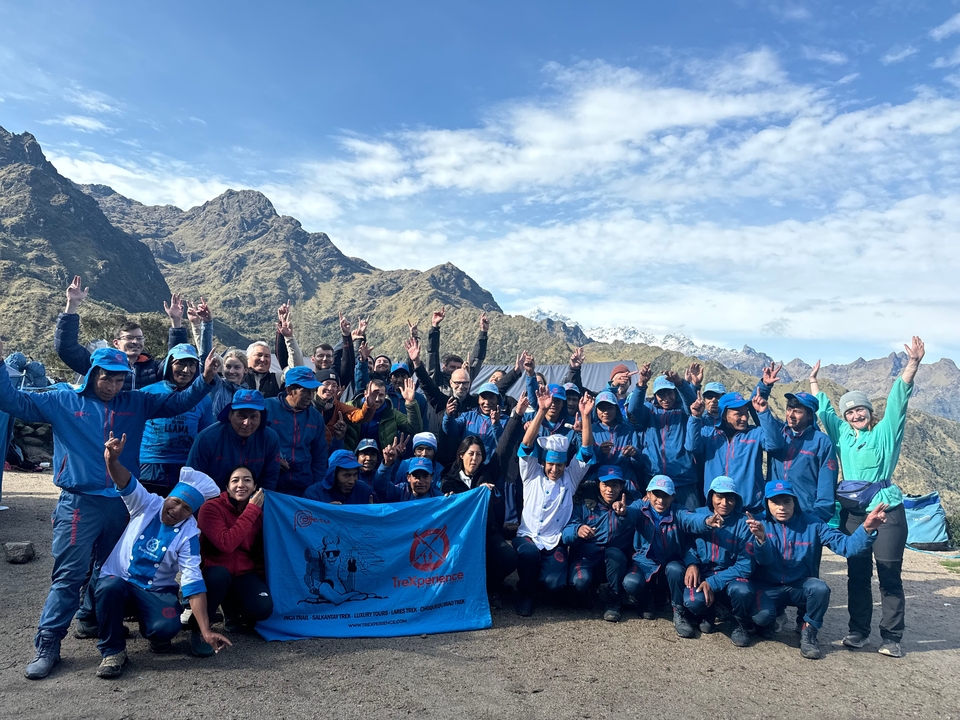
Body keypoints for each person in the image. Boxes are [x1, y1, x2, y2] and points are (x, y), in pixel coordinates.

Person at [0, 340, 220, 681]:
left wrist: (205, 380)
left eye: (119, 379)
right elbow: (14, 401)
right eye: (106, 377)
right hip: (80, 502)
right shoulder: (62, 400)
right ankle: (48, 645)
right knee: (69, 575)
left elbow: (178, 402)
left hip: (121, 505)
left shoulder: (136, 401)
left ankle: (99, 627)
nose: (112, 385)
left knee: (112, 572)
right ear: (92, 375)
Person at [809, 336, 924, 658]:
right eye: (850, 411)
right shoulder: (842, 434)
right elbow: (824, 411)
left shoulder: (886, 432)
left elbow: (899, 399)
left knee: (888, 573)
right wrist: (814, 382)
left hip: (886, 510)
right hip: (854, 512)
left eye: (860, 409)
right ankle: (858, 631)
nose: (855, 414)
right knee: (857, 574)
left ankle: (891, 637)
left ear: (870, 411)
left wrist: (912, 364)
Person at [95, 433, 231, 677]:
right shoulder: (146, 503)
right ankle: (113, 651)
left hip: (155, 591)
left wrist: (206, 630)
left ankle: (152, 628)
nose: (177, 510)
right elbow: (126, 481)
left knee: (166, 629)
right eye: (176, 502)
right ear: (169, 496)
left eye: (186, 508)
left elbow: (193, 583)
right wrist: (112, 461)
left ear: (192, 513)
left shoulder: (190, 536)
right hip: (120, 580)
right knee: (108, 588)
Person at [746, 479, 887, 660]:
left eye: (786, 501)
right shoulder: (758, 524)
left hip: (800, 585)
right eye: (775, 502)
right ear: (767, 504)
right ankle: (770, 619)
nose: (782, 507)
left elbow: (847, 547)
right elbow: (761, 561)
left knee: (819, 589)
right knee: (761, 618)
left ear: (794, 502)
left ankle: (809, 632)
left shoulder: (814, 524)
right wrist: (761, 539)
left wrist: (867, 528)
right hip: (769, 586)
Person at [513, 387, 595, 617]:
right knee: (528, 555)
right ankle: (526, 593)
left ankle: (538, 584)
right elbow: (526, 447)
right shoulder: (531, 473)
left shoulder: (570, 477)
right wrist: (541, 411)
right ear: (544, 462)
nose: (554, 469)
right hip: (528, 536)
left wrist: (586, 417)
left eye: (559, 465)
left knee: (555, 584)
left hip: (553, 541)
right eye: (551, 464)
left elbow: (586, 452)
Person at [617, 476, 720, 638]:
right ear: (648, 494)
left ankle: (678, 612)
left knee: (674, 569)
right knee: (630, 583)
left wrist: (707, 521)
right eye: (656, 495)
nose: (660, 500)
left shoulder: (678, 512)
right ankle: (646, 601)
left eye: (665, 496)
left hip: (672, 562)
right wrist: (622, 512)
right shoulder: (640, 508)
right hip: (645, 562)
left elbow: (693, 519)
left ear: (672, 496)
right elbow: (629, 513)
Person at [54, 275, 190, 390]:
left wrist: (176, 321)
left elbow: (178, 358)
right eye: (130, 338)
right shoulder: (100, 365)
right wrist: (72, 305)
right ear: (116, 343)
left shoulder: (153, 369)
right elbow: (67, 349)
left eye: (139, 338)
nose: (135, 342)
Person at [196, 465, 273, 641]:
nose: (241, 485)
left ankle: (232, 611)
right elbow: (226, 544)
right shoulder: (211, 508)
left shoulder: (259, 515)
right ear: (227, 487)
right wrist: (251, 510)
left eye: (247, 480)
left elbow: (259, 551)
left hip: (244, 572)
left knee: (263, 609)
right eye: (235, 480)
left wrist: (261, 584)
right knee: (220, 576)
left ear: (255, 487)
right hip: (215, 570)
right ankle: (199, 629)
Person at [441, 435, 518, 607]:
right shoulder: (448, 478)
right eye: (470, 454)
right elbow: (452, 503)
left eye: (479, 455)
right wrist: (477, 493)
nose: (474, 459)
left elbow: (502, 451)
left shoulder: (487, 473)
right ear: (461, 454)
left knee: (509, 557)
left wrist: (517, 415)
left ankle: (491, 586)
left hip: (487, 534)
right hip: (460, 538)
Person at [755, 364, 838, 522]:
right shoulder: (777, 433)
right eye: (788, 409)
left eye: (798, 411)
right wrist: (764, 386)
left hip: (806, 515)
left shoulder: (821, 442)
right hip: (775, 512)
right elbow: (756, 409)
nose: (790, 415)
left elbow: (826, 484)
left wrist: (818, 518)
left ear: (809, 416)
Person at [680, 476, 757, 647]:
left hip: (730, 577)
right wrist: (692, 563)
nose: (724, 502)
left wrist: (713, 582)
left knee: (742, 590)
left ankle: (738, 623)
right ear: (710, 497)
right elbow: (688, 544)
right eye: (719, 497)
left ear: (736, 500)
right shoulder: (698, 515)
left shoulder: (744, 524)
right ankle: (708, 612)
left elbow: (745, 565)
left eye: (730, 498)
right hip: (703, 573)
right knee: (693, 602)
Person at [686, 389, 784, 512]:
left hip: (748, 508)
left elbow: (775, 444)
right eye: (738, 414)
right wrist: (695, 417)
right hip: (718, 506)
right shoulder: (709, 433)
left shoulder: (754, 434)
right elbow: (692, 446)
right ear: (724, 415)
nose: (744, 418)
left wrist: (764, 412)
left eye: (746, 413)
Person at [138, 344, 215, 496]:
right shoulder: (148, 393)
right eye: (180, 364)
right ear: (169, 364)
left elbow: (205, 437)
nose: (186, 370)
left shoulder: (204, 400)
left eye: (191, 365)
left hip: (185, 467)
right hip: (149, 466)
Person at [562, 465, 635, 622]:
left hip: (613, 562)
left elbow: (642, 512)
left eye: (615, 485)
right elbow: (565, 533)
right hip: (585, 560)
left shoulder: (630, 506)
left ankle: (613, 600)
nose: (610, 490)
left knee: (615, 553)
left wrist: (625, 513)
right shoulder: (584, 503)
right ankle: (587, 591)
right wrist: (577, 530)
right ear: (598, 485)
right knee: (579, 583)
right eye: (605, 485)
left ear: (622, 486)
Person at [627, 366, 701, 510]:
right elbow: (633, 409)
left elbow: (693, 404)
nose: (666, 399)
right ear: (655, 395)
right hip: (655, 480)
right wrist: (641, 384)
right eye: (661, 395)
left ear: (675, 393)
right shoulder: (649, 412)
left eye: (670, 393)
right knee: (657, 526)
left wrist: (680, 383)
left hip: (683, 480)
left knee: (689, 523)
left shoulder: (683, 412)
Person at [186, 389, 282, 492]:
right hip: (212, 500)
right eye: (241, 416)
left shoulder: (270, 438)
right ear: (230, 415)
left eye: (253, 417)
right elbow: (193, 479)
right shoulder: (207, 438)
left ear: (261, 418)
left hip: (252, 501)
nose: (246, 423)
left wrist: (256, 504)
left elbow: (269, 480)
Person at [264, 366, 329, 497]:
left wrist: (316, 488)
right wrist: (273, 460)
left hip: (303, 485)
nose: (310, 396)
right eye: (305, 391)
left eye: (312, 391)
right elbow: (255, 444)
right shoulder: (267, 408)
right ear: (289, 390)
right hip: (271, 483)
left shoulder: (315, 417)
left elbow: (320, 456)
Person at [343, 377, 422, 452]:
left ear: (385, 395)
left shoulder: (391, 413)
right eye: (373, 394)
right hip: (351, 458)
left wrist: (410, 402)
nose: (377, 399)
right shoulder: (351, 407)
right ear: (365, 393)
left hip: (382, 459)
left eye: (381, 395)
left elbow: (414, 429)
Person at [243, 303, 304, 398]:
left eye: (267, 356)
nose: (263, 359)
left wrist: (289, 338)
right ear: (247, 358)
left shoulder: (277, 379)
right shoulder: (239, 376)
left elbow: (297, 368)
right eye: (259, 355)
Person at [591, 390, 643, 499]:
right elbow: (585, 462)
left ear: (616, 409)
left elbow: (639, 464)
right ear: (596, 410)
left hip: (626, 483)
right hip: (601, 485)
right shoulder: (592, 431)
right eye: (602, 408)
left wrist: (635, 454)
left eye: (610, 407)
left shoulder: (629, 430)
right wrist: (599, 452)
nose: (606, 412)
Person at [441, 382, 504, 464]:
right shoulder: (468, 416)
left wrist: (496, 424)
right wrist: (448, 416)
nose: (487, 402)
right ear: (478, 399)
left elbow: (505, 444)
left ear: (498, 400)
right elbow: (451, 431)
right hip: (469, 465)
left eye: (491, 398)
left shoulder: (505, 420)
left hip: (492, 470)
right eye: (484, 398)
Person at [426, 307, 488, 390]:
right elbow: (432, 354)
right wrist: (434, 327)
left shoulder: (465, 378)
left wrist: (483, 332)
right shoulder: (437, 380)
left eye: (458, 368)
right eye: (452, 367)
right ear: (444, 367)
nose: (455, 370)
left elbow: (477, 359)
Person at [312, 368, 376, 449]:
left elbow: (358, 415)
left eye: (334, 385)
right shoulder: (307, 404)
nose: (330, 388)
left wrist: (369, 405)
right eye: (326, 384)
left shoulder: (338, 406)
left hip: (327, 451)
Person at [373, 443, 442, 502]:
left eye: (425, 476)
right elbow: (381, 488)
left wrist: (451, 499)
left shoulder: (440, 499)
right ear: (408, 477)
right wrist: (387, 464)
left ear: (431, 477)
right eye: (416, 476)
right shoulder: (401, 491)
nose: (420, 481)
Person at [304, 450, 375, 504]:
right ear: (333, 475)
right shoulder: (314, 494)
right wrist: (325, 512)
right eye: (347, 475)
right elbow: (304, 520)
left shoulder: (363, 491)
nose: (352, 481)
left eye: (355, 474)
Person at [210, 349, 250, 418]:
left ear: (245, 370)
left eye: (237, 367)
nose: (231, 371)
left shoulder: (248, 395)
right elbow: (205, 356)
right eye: (228, 367)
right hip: (214, 428)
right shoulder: (217, 384)